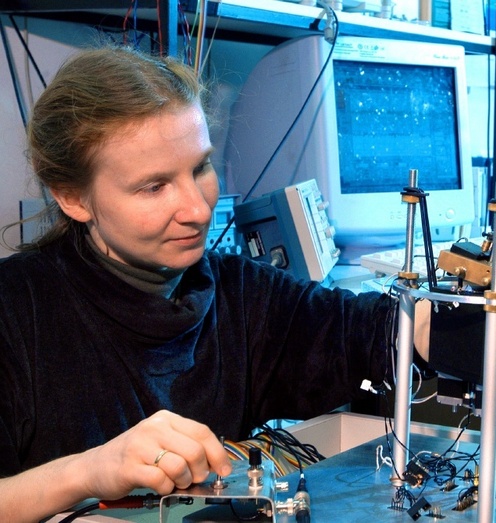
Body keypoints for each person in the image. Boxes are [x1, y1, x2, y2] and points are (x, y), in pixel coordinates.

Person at [0, 46, 403, 522]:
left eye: (200, 168)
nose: (197, 209)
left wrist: (471, 301)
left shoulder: (237, 292)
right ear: (72, 197)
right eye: (154, 187)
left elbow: (371, 332)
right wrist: (88, 471)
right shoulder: (14, 313)